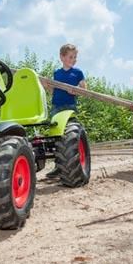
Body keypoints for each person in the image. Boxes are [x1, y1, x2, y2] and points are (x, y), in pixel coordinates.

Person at [47, 43, 87, 178]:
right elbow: (53, 91)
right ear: (62, 57)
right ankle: (58, 167)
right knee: (56, 137)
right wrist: (47, 86)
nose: (74, 59)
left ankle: (73, 165)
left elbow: (84, 90)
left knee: (70, 137)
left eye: (75, 57)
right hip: (56, 107)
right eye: (71, 57)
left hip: (69, 107)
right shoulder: (56, 73)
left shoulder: (77, 72)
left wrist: (75, 90)